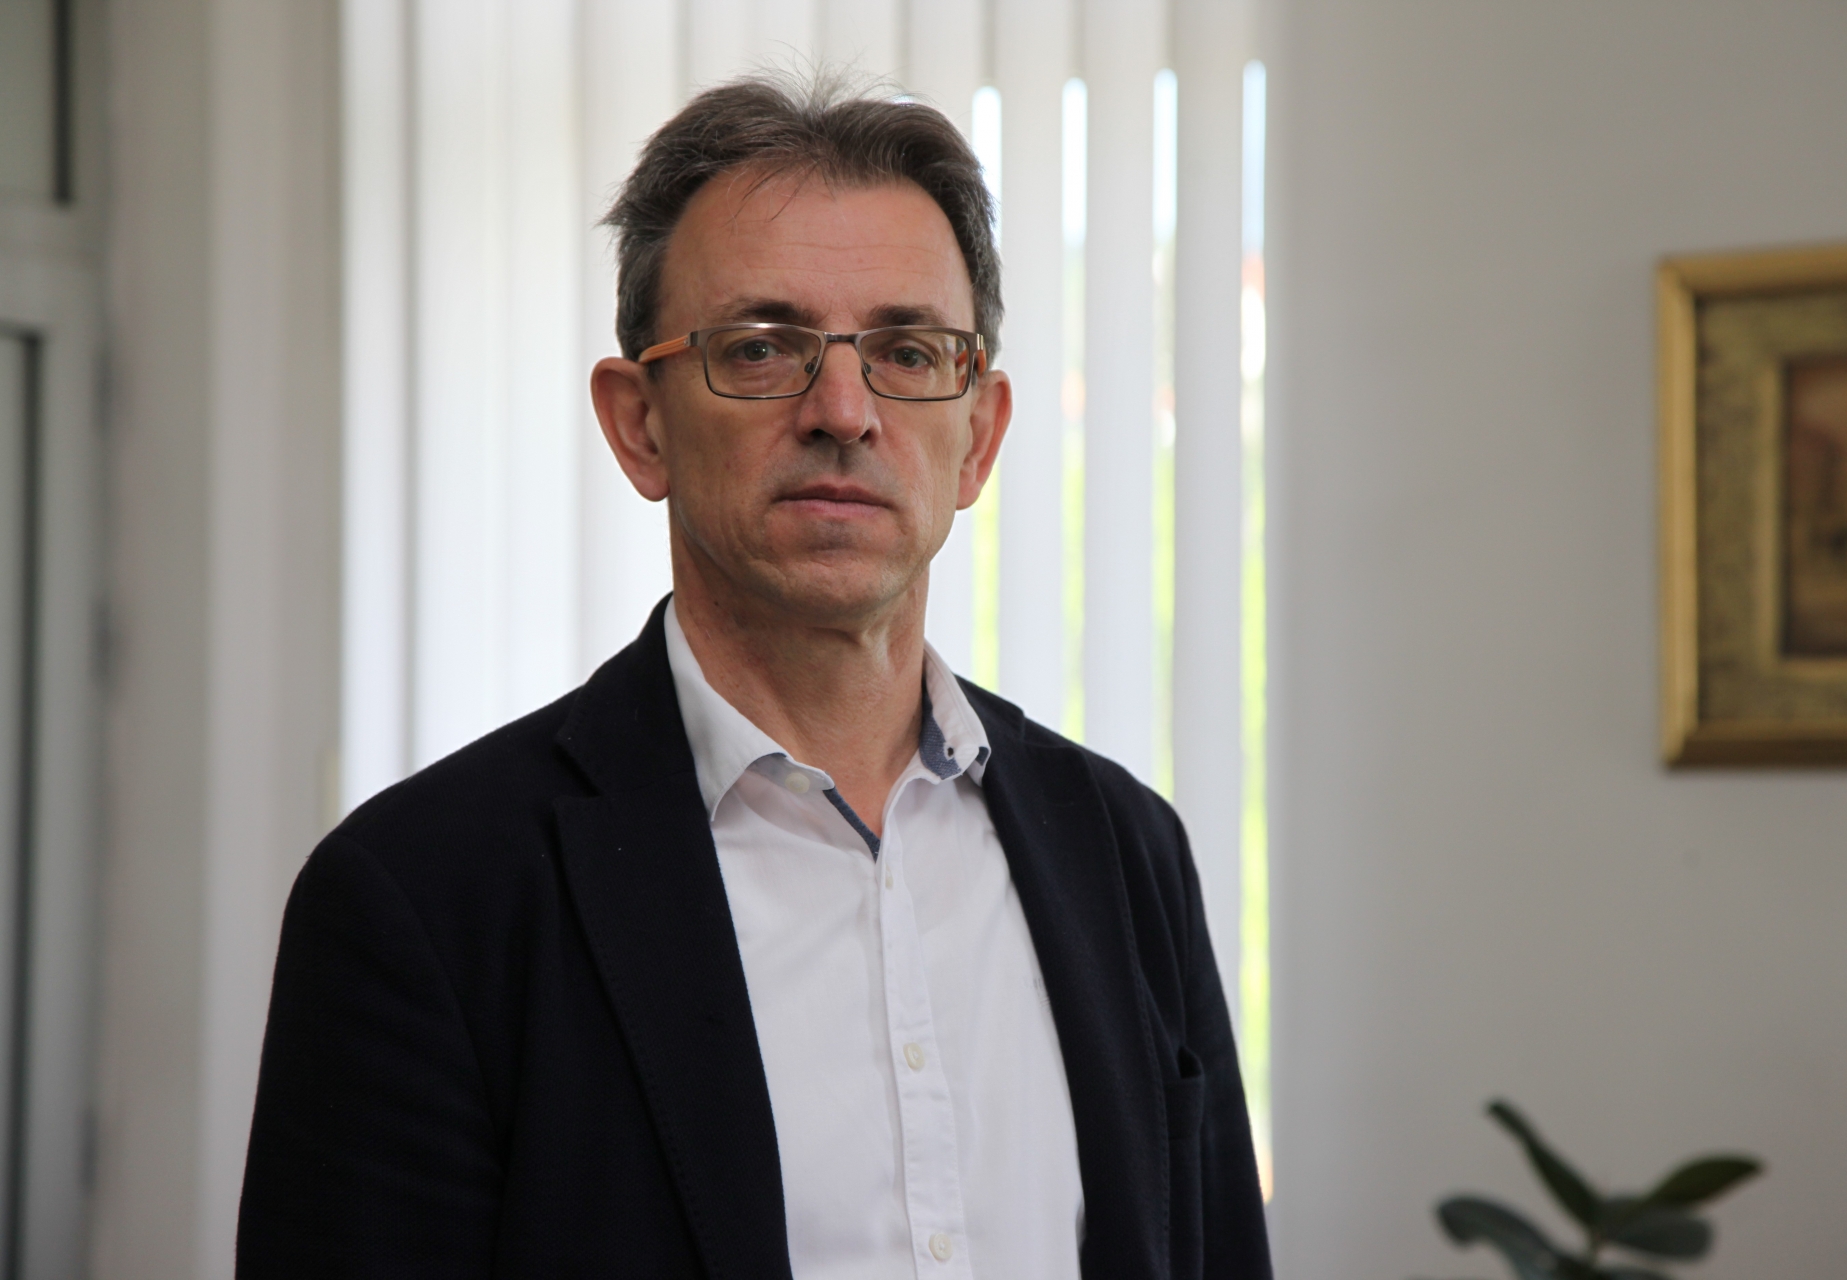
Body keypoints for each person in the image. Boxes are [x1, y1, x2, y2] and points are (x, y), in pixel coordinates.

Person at [237, 73, 1270, 1279]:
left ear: (978, 436)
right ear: (640, 425)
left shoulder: (1127, 855)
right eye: (764, 347)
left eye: (908, 350)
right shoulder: (424, 897)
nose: (844, 409)